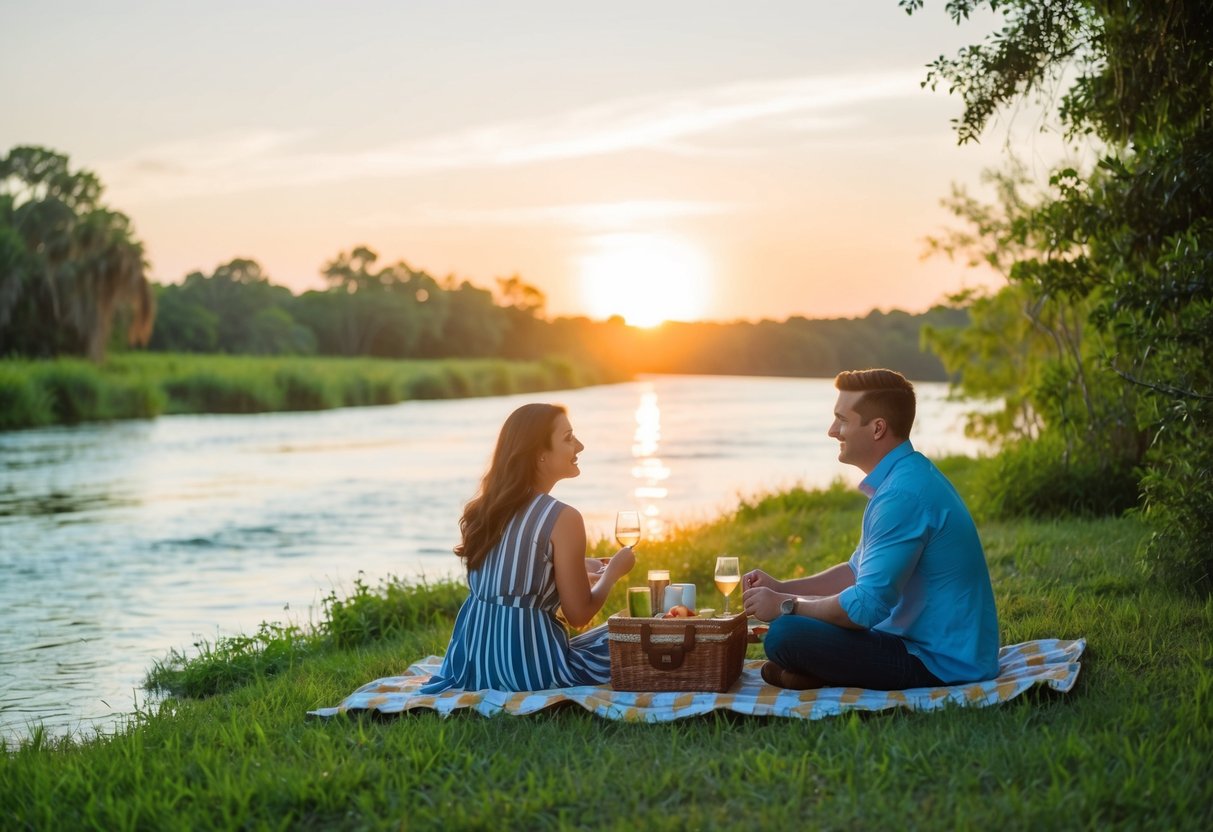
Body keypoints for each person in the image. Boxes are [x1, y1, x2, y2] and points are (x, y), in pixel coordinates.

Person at [741, 369, 999, 690]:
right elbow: (855, 572)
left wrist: (785, 605)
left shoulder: (902, 496)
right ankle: (815, 673)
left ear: (877, 428)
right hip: (921, 644)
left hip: (939, 662)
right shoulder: (902, 479)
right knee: (792, 633)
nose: (832, 431)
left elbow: (864, 609)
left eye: (842, 420)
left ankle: (818, 672)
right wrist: (784, 586)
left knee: (785, 634)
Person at [420, 403, 635, 693]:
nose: (580, 446)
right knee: (632, 635)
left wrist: (583, 564)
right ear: (540, 455)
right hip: (529, 671)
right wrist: (613, 573)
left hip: (473, 665)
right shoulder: (564, 517)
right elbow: (579, 615)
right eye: (569, 438)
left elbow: (516, 565)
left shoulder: (486, 508)